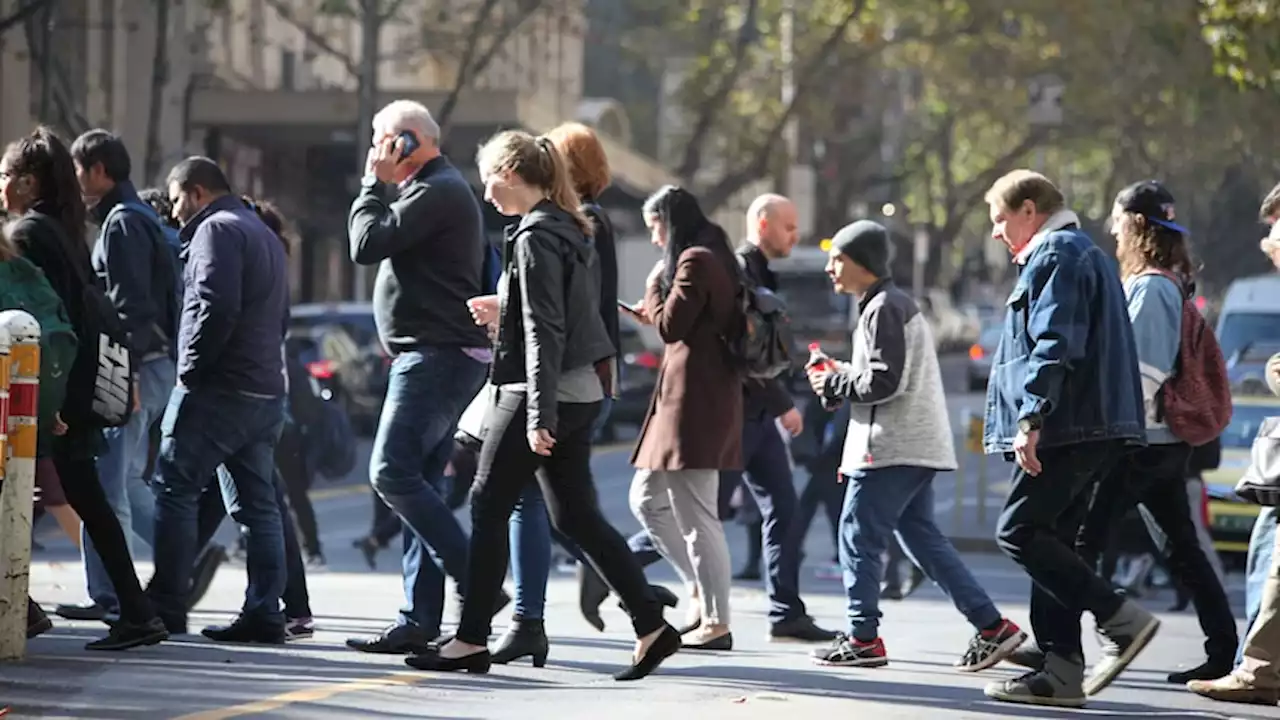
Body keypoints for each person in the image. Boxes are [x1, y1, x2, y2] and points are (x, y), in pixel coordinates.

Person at [406, 131, 679, 680]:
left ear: (511, 170)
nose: (486, 196)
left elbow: (544, 327)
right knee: (573, 514)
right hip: (576, 390)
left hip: (541, 391)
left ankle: (469, 640)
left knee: (486, 503)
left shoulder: (535, 235)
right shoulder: (567, 225)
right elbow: (556, 315)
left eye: (489, 181)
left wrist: (538, 414)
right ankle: (652, 624)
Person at [805, 219, 1025, 671]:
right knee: (923, 541)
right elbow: (883, 375)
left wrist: (836, 379)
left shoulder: (884, 306)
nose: (830, 267)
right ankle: (992, 627)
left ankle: (862, 637)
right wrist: (840, 374)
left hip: (891, 447)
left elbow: (884, 382)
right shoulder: (887, 304)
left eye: (837, 258)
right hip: (913, 445)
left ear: (862, 263)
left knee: (858, 535)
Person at [979, 170, 1154, 708]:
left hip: (1070, 425)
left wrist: (1032, 417)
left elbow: (1055, 343)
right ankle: (1060, 670)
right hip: (1082, 423)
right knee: (1048, 538)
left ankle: (1119, 619)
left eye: (1001, 219)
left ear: (1029, 210)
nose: (996, 233)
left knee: (1020, 531)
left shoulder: (1057, 253)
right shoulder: (1080, 253)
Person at [0, 125, 168, 650]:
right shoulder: (62, 228)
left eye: (5, 175)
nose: (0, 184)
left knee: (79, 496)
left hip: (56, 390)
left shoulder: (30, 233)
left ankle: (126, 612)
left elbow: (46, 324)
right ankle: (131, 611)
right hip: (74, 385)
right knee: (85, 497)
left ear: (27, 182)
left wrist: (52, 400)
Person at [344, 100, 501, 655]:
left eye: (381, 141)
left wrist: (371, 184)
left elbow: (365, 244)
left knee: (390, 472)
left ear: (407, 142)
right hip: (436, 356)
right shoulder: (430, 191)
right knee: (421, 486)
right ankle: (419, 618)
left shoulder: (438, 191)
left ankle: (475, 581)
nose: (376, 153)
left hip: (434, 358)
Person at [1069, 181, 1236, 686]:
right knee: (1181, 548)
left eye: (1118, 221)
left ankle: (1071, 645)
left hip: (1141, 444)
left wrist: (1108, 436)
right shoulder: (1162, 284)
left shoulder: (1152, 288)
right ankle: (1224, 652)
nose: (1112, 231)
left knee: (1081, 541)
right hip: (1159, 446)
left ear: (1137, 225)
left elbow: (1140, 374)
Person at [147, 156, 290, 642]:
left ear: (197, 191)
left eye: (175, 198)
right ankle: (266, 611)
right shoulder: (261, 232)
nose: (173, 210)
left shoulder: (217, 230)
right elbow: (279, 316)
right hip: (264, 389)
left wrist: (189, 370)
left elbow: (214, 304)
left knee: (175, 488)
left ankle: (165, 605)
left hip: (218, 388)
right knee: (257, 506)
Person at [55, 130, 179, 623]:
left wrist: (118, 378)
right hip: (150, 367)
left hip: (134, 368)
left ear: (100, 171)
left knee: (106, 485)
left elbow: (131, 309)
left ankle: (111, 597)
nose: (76, 180)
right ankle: (178, 562)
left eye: (80, 170)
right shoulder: (135, 217)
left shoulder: (124, 222)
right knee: (126, 480)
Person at [626, 185, 742, 650]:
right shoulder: (709, 254)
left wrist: (655, 287)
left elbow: (671, 325)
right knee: (647, 499)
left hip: (696, 404)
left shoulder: (696, 260)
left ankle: (717, 620)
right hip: (684, 400)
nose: (655, 240)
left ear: (669, 223)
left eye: (656, 228)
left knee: (697, 516)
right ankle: (699, 591)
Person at [719, 193, 836, 643]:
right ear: (763, 224)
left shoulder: (762, 272)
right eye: (789, 227)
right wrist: (784, 401)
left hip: (758, 415)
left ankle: (786, 612)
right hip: (739, 412)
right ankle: (621, 566)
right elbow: (743, 352)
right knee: (705, 514)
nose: (797, 235)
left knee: (784, 509)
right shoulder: (740, 271)